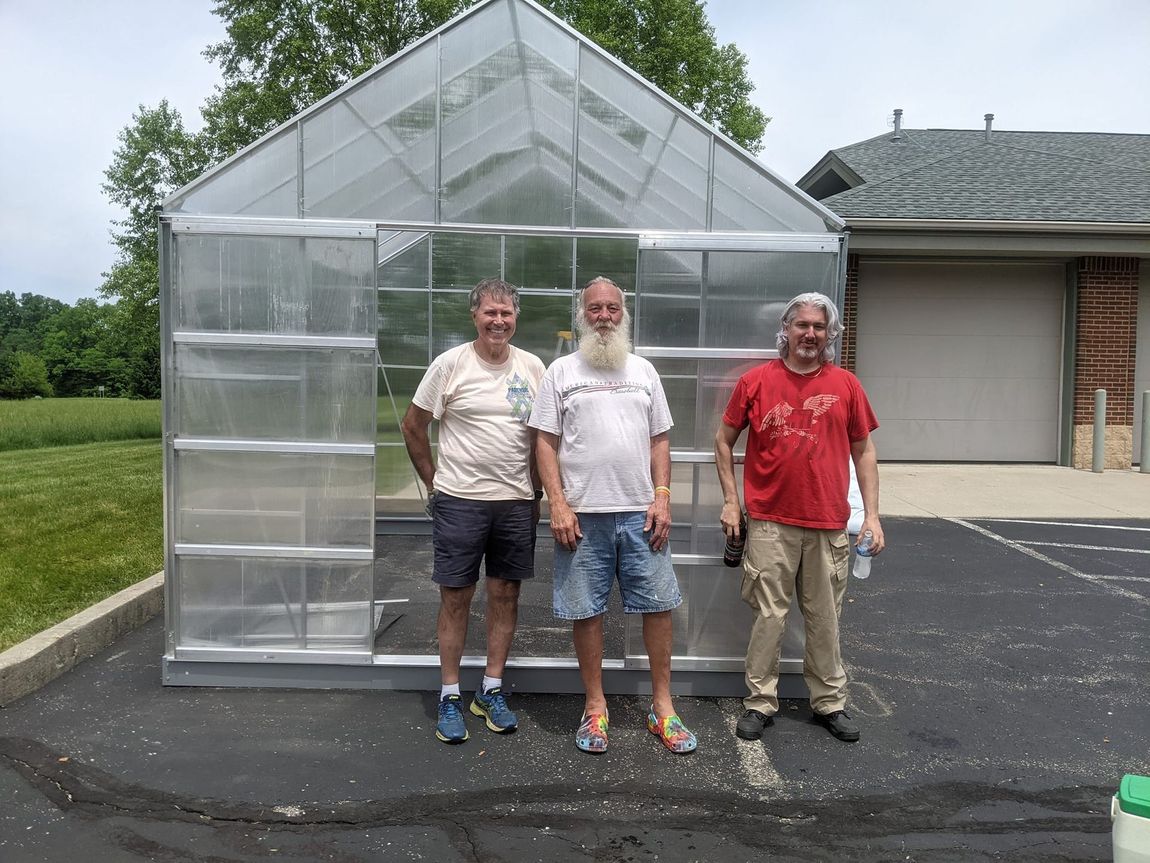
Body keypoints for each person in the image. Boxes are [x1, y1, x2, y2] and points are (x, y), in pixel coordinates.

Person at [528, 277, 696, 755]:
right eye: (595, 308)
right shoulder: (562, 371)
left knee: (658, 607)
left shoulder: (644, 371)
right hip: (583, 517)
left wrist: (662, 496)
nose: (604, 316)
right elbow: (545, 441)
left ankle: (662, 708)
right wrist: (556, 503)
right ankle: (595, 708)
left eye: (612, 308)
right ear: (582, 316)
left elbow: (659, 438)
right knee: (587, 612)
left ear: (625, 315)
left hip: (642, 514)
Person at [714, 291, 884, 744]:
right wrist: (732, 501)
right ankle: (759, 703)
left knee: (824, 618)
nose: (810, 334)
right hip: (770, 521)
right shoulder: (755, 382)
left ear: (830, 335)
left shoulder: (846, 385)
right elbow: (722, 440)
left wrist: (873, 516)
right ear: (785, 330)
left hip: (829, 523)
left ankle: (830, 703)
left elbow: (864, 452)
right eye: (802, 325)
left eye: (819, 327)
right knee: (769, 615)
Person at [401, 278, 545, 745]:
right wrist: (434, 482)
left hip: (516, 503)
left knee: (505, 595)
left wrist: (539, 492)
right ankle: (449, 695)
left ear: (515, 317)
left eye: (506, 313)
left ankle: (491, 689)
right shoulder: (451, 364)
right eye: (490, 313)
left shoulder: (533, 367)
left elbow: (544, 436)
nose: (498, 321)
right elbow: (413, 425)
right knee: (456, 597)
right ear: (474, 316)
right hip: (460, 500)